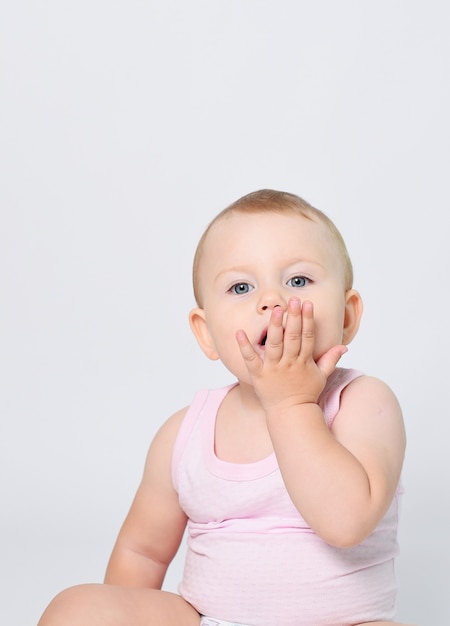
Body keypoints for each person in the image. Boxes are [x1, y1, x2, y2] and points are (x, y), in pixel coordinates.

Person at [37, 189, 414, 626]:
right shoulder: (185, 433)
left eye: (297, 281)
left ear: (347, 316)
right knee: (77, 608)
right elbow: (141, 552)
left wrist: (291, 403)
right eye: (241, 287)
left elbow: (347, 522)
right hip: (210, 619)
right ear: (207, 334)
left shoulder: (364, 403)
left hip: (344, 622)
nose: (271, 301)